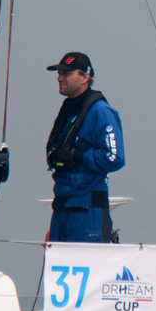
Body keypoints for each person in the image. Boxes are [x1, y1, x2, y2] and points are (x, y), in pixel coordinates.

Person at [45, 51, 125, 243]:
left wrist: (77, 155)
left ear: (85, 76)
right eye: (59, 73)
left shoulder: (101, 112)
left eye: (67, 73)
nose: (60, 78)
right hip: (61, 208)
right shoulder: (68, 109)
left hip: (87, 211)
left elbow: (115, 158)